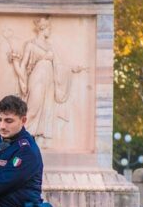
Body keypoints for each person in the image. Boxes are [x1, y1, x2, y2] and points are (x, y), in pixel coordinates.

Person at [6, 16, 87, 147]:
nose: (49, 31)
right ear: (42, 29)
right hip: (37, 78)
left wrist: (72, 69)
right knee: (33, 107)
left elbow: (60, 65)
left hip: (49, 81)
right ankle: (20, 136)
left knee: (47, 109)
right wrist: (20, 73)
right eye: (48, 28)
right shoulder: (31, 45)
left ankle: (38, 139)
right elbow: (22, 66)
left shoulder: (50, 47)